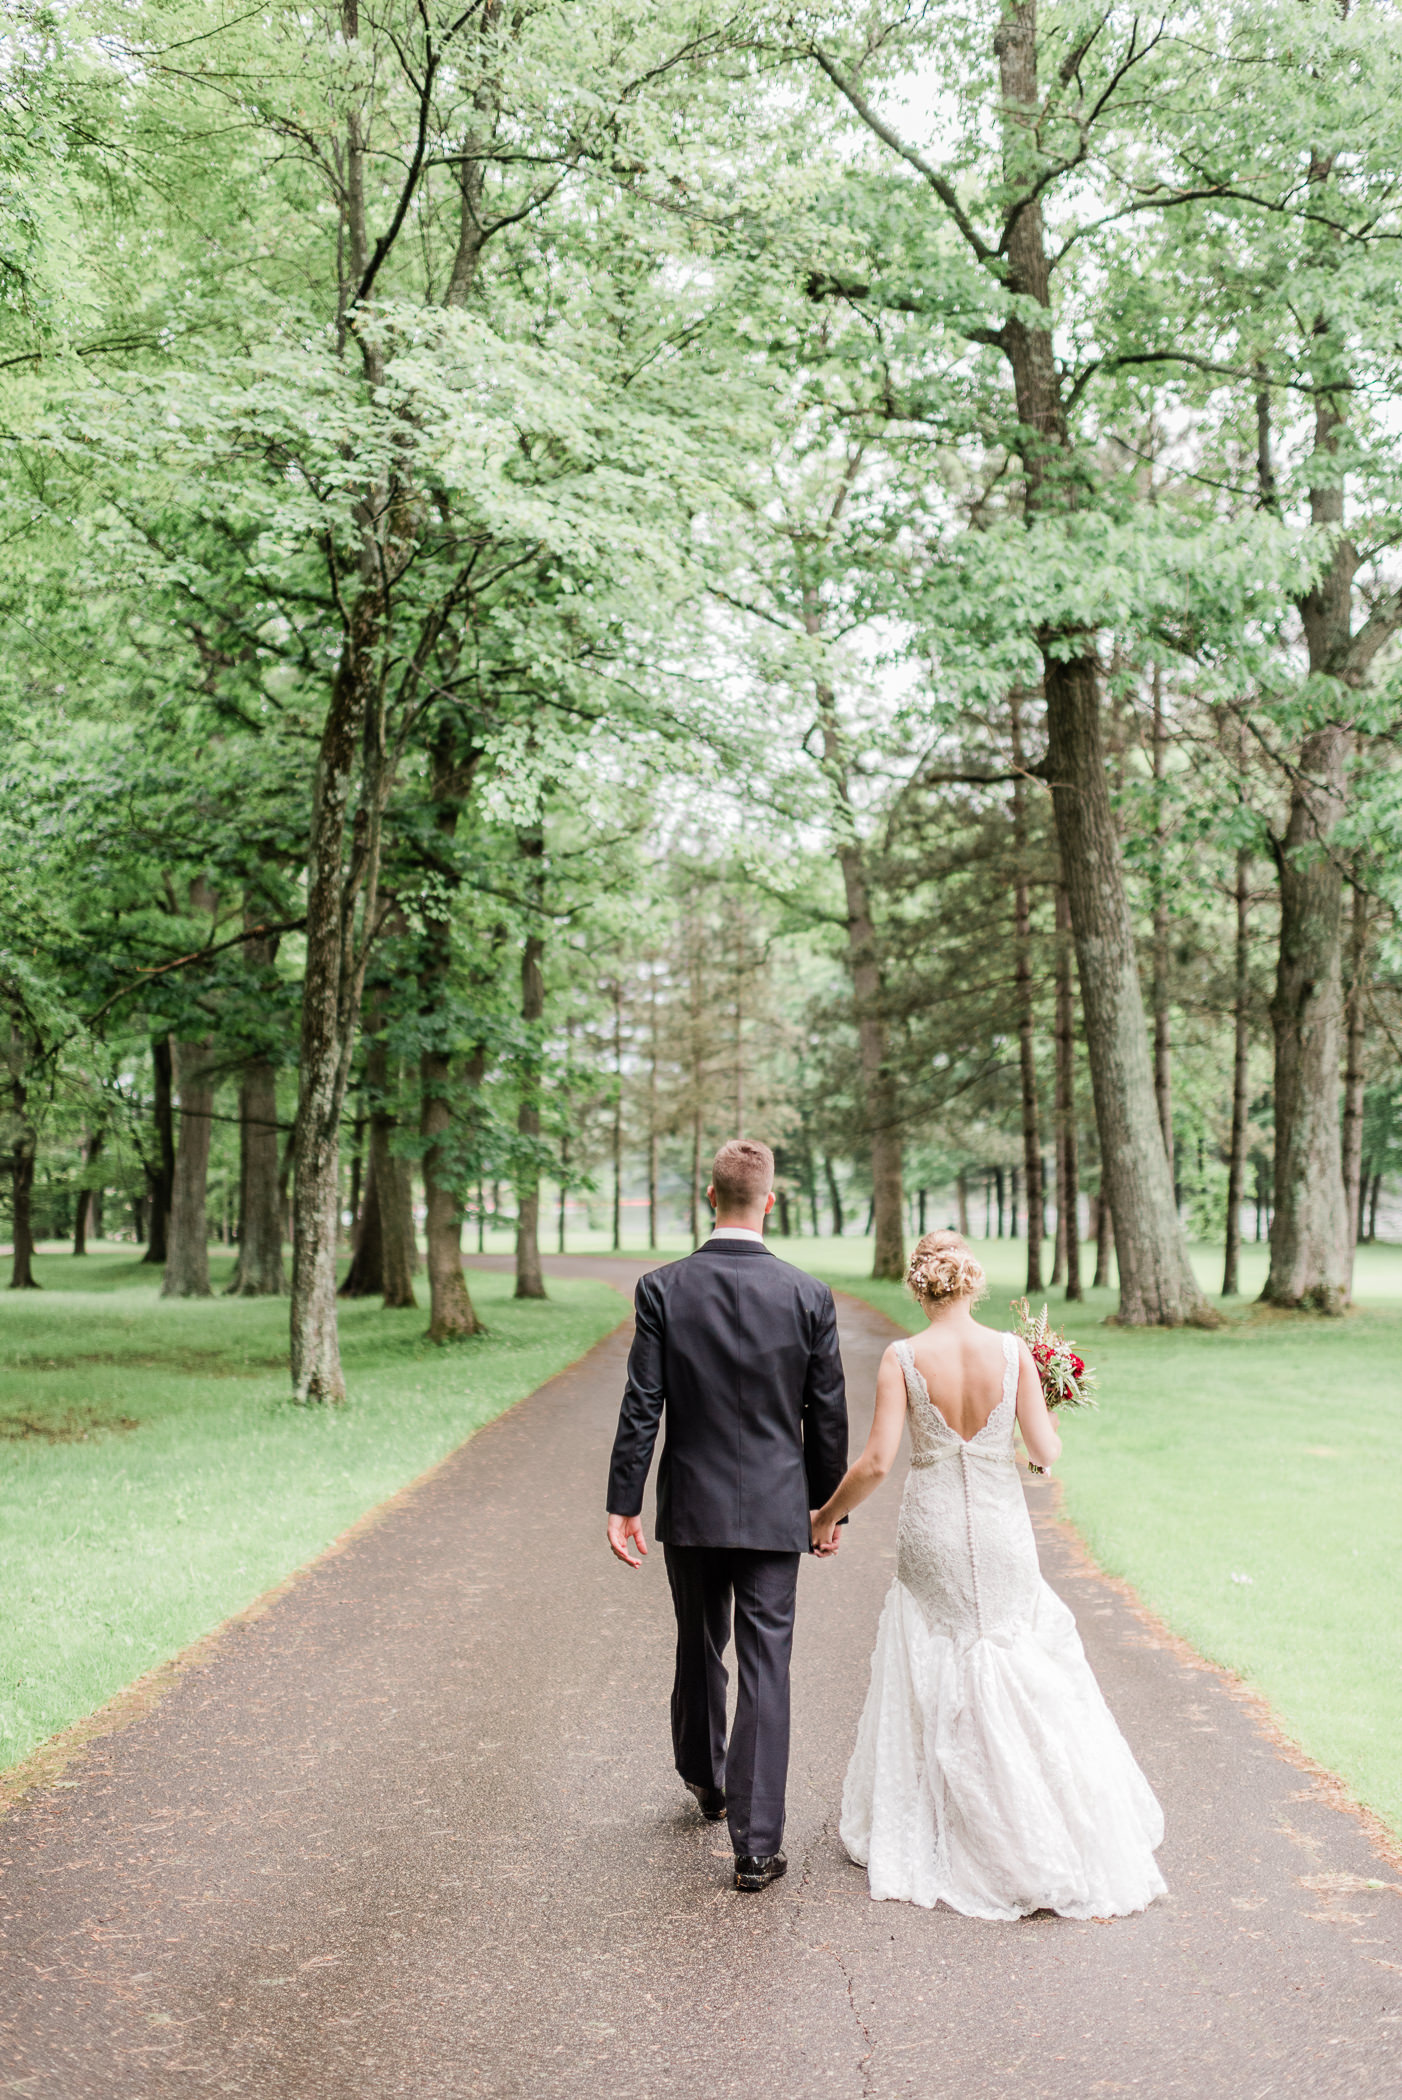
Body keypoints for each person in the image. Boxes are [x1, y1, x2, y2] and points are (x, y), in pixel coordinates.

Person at [814, 1230, 1166, 1920]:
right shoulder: (1013, 1355)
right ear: (972, 1284)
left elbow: (879, 1463)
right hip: (1002, 1534)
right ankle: (1044, 1823)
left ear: (919, 1288)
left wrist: (824, 1516)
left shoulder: (903, 1357)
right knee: (1012, 1652)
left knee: (938, 1657)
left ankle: (956, 1824)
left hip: (934, 1533)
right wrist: (1046, 1417)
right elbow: (1044, 1449)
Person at [606, 1137, 848, 1892]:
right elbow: (828, 1416)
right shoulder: (809, 1296)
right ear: (768, 1201)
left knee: (698, 1643)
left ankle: (706, 1779)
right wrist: (827, 1508)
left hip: (692, 1505)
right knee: (766, 1662)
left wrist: (624, 1501)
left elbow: (644, 1402)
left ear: (711, 1198)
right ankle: (756, 1846)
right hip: (778, 1511)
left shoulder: (664, 1288)